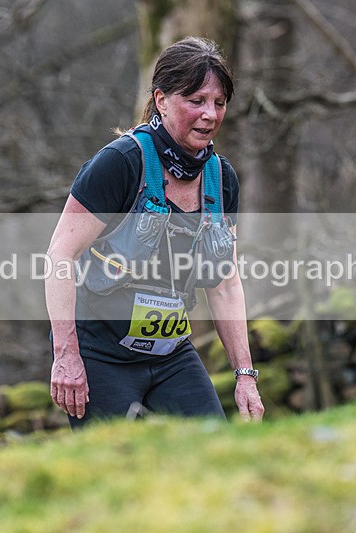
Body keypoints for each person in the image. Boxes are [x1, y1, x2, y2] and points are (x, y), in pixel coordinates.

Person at [45, 36, 264, 429]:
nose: (210, 114)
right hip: (101, 354)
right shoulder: (120, 163)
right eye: (195, 101)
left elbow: (225, 283)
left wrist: (245, 376)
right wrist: (66, 355)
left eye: (219, 102)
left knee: (214, 457)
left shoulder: (221, 179)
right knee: (115, 474)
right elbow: (60, 256)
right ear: (161, 100)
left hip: (170, 354)